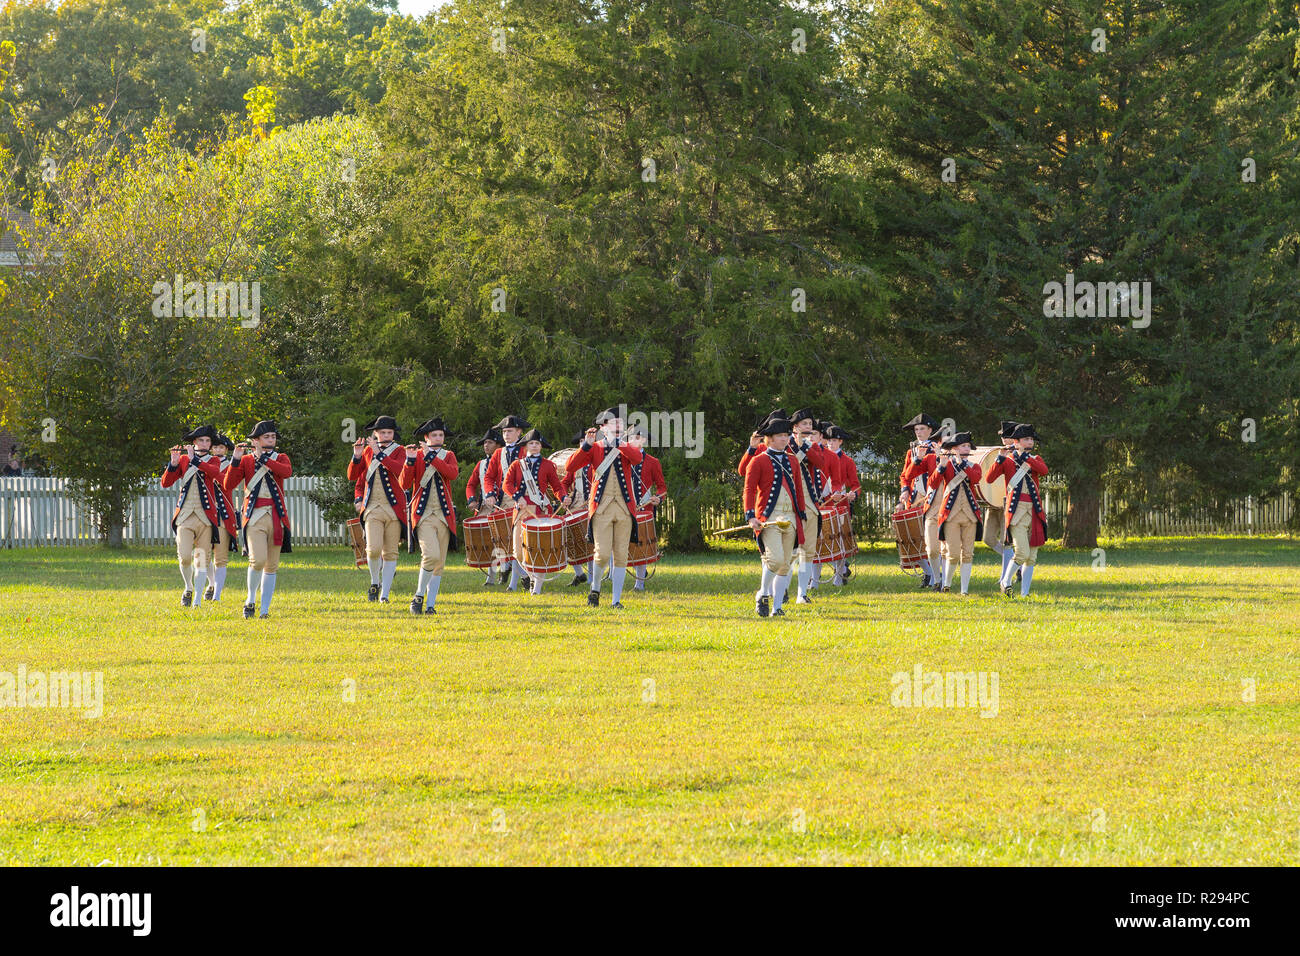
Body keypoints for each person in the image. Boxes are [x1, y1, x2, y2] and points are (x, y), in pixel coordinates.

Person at [565, 407, 644, 609]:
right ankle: (595, 588)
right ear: (603, 427)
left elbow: (637, 458)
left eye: (620, 423)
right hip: (601, 508)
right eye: (613, 423)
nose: (618, 426)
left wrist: (619, 443)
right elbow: (570, 467)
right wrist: (586, 447)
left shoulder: (625, 446)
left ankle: (616, 600)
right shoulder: (595, 447)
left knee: (621, 555)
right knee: (601, 554)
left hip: (625, 508)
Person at [222, 420, 293, 619]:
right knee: (257, 560)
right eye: (266, 437)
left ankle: (264, 610)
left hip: (276, 516)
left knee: (272, 565)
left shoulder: (281, 457)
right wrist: (235, 460)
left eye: (273, 436)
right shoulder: (246, 461)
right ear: (256, 440)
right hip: (254, 516)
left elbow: (286, 472)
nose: (271, 440)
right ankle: (251, 600)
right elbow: (228, 483)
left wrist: (265, 459)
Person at [743, 417, 809, 618]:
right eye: (781, 436)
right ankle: (762, 593)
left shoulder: (791, 461)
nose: (785, 439)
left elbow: (798, 488)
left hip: (790, 515)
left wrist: (802, 515)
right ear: (769, 439)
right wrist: (750, 516)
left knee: (786, 564)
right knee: (774, 559)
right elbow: (749, 489)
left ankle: (777, 607)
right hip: (769, 517)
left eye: (786, 435)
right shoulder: (758, 461)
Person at [160, 425, 228, 608]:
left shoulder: (214, 460)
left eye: (207, 441)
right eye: (201, 441)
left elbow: (216, 475)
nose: (204, 444)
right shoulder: (183, 460)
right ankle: (188, 587)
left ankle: (197, 599)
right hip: (185, 516)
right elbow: (166, 483)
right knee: (184, 557)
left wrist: (194, 461)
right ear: (194, 442)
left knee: (202, 560)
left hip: (205, 518)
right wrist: (173, 464)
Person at [347, 415, 409, 603]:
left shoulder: (401, 451)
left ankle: (385, 594)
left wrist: (379, 454)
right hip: (372, 508)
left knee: (390, 552)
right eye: (382, 432)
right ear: (375, 433)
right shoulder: (367, 452)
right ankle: (375, 582)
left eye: (389, 432)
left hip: (394, 510)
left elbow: (401, 470)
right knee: (373, 550)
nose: (386, 435)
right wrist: (357, 456)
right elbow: (354, 477)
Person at [401, 418, 459, 614]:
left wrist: (431, 457)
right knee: (431, 556)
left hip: (443, 516)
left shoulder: (448, 455)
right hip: (423, 515)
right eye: (434, 435)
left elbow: (452, 474)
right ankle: (418, 595)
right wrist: (409, 461)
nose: (438, 438)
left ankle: (430, 605)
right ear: (426, 438)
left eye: (441, 435)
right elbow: (404, 484)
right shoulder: (416, 456)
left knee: (439, 564)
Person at [986, 423, 1049, 598]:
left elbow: (1044, 471)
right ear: (1016, 442)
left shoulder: (1035, 459)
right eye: (1026, 439)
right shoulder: (1007, 460)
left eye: (1031, 439)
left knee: (1032, 556)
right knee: (1021, 552)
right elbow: (990, 478)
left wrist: (1027, 458)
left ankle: (1024, 594)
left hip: (1035, 511)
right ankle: (1006, 582)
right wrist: (999, 458)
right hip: (1016, 512)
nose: (1030, 442)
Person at [503, 429, 566, 595]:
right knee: (518, 551)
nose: (534, 446)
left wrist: (563, 497)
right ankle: (531, 577)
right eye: (531, 443)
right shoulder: (517, 465)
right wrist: (517, 497)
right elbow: (507, 485)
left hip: (540, 510)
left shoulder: (548, 465)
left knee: (539, 550)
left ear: (541, 446)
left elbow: (557, 486)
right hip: (521, 510)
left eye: (537, 443)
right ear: (526, 446)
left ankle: (536, 588)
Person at [923, 432, 982, 595]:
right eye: (963, 446)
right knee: (953, 553)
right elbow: (933, 483)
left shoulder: (973, 466)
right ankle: (946, 584)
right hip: (950, 516)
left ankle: (964, 590)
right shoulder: (947, 465)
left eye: (968, 446)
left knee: (968, 554)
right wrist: (941, 466)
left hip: (970, 515)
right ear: (955, 448)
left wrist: (961, 463)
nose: (967, 448)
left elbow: (975, 479)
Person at [787, 408, 834, 605]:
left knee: (808, 552)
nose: (808, 427)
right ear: (795, 427)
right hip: (790, 505)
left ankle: (801, 594)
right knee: (789, 552)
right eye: (804, 424)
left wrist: (804, 446)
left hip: (811, 505)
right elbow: (789, 468)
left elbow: (821, 462)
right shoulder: (784, 444)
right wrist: (796, 447)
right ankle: (781, 591)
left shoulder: (811, 446)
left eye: (810, 425)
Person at [484, 415, 530, 589]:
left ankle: (515, 582)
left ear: (519, 432)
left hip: (523, 501)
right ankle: (521, 576)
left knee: (518, 541)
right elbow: (489, 477)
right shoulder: (498, 453)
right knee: (504, 540)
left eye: (510, 431)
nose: (506, 435)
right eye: (504, 432)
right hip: (503, 501)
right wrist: (489, 493)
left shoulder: (526, 450)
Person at [899, 413, 942, 588]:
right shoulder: (912, 451)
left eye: (922, 429)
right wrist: (904, 492)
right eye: (916, 429)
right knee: (914, 538)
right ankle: (928, 572)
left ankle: (936, 576)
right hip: (916, 497)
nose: (918, 432)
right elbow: (905, 476)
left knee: (933, 539)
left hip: (933, 497)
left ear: (930, 430)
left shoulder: (938, 450)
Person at [626, 425, 667, 592]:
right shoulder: (622, 459)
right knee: (627, 544)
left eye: (638, 438)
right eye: (631, 438)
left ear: (643, 441)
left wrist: (659, 497)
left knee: (641, 545)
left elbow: (662, 487)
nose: (634, 441)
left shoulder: (653, 462)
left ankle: (639, 583)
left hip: (645, 509)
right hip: (626, 508)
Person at [983, 421, 1022, 589]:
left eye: (1007, 437)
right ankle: (1016, 562)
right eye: (1004, 437)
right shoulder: (999, 454)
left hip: (1009, 502)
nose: (1004, 440)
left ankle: (1004, 577)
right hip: (993, 502)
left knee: (1006, 541)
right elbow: (989, 478)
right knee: (988, 539)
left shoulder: (1019, 455)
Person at [203, 432, 240, 602]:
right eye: (215, 446)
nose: (217, 450)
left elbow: (227, 484)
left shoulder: (232, 465)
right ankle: (211, 584)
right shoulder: (203, 463)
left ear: (226, 450)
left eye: (221, 447)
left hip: (224, 515)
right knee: (203, 555)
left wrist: (211, 469)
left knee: (221, 557)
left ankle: (217, 595)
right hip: (205, 513)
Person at [464, 426, 504, 587]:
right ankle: (491, 577)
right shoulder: (481, 464)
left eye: (490, 442)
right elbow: (470, 485)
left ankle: (511, 572)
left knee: (506, 541)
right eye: (485, 442)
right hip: (486, 508)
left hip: (505, 504)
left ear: (498, 445)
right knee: (489, 542)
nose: (486, 445)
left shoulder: (506, 459)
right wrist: (472, 500)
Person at [823, 424, 859, 586]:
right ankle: (839, 571)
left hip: (841, 506)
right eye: (829, 440)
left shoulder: (847, 461)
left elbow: (855, 484)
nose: (831, 443)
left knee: (840, 541)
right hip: (823, 504)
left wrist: (853, 494)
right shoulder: (820, 458)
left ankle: (839, 577)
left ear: (841, 442)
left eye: (835, 440)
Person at [559, 429, 594, 586]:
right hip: (575, 505)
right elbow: (564, 483)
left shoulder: (598, 459)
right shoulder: (575, 463)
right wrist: (564, 496)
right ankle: (579, 574)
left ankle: (593, 577)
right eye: (580, 442)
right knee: (569, 540)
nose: (582, 444)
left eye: (584, 441)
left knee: (591, 543)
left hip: (593, 505)